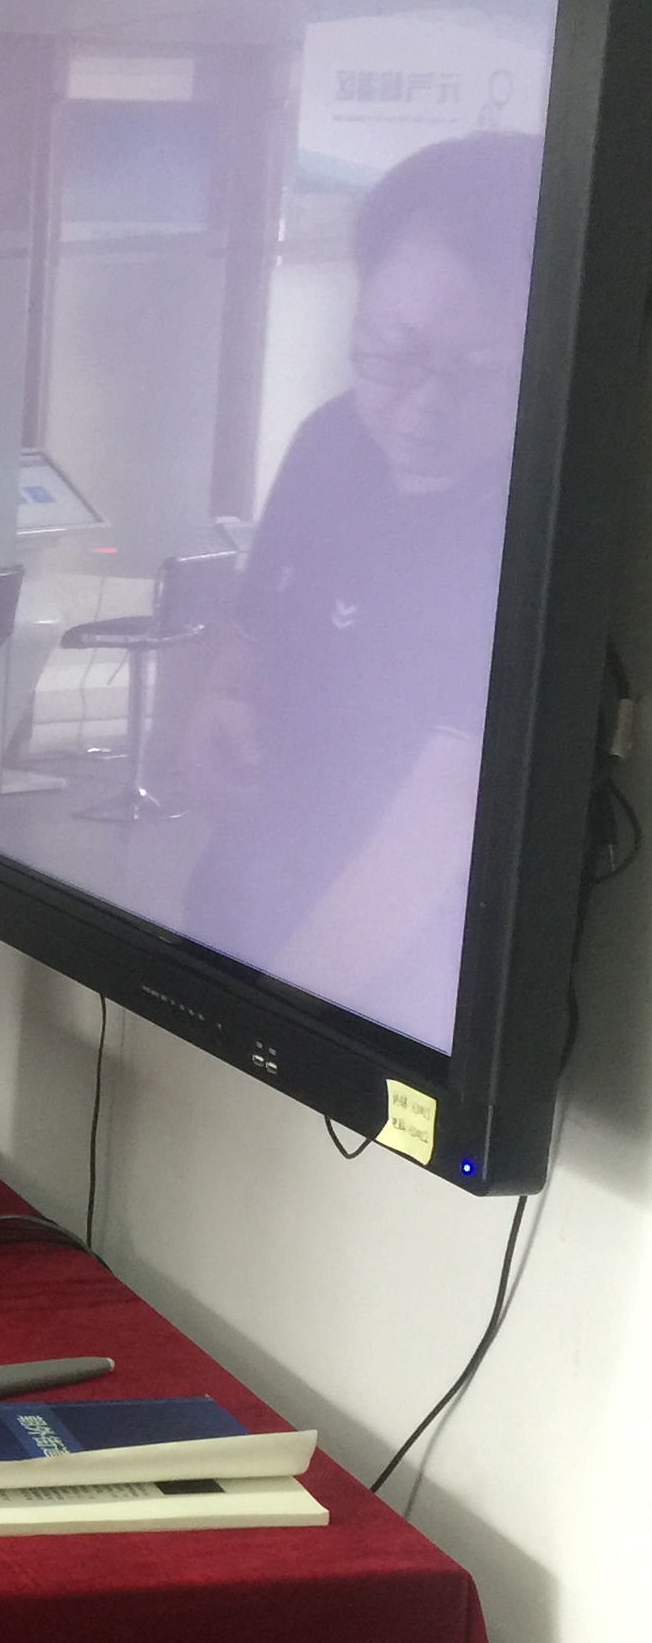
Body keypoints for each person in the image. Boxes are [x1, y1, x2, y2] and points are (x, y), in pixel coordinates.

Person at [181, 133, 544, 1047]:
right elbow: (250, 632)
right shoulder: (332, 440)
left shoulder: (527, 526)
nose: (423, 405)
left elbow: (434, 833)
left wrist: (268, 1026)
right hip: (240, 913)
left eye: (481, 371)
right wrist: (221, 702)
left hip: (382, 998)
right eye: (392, 352)